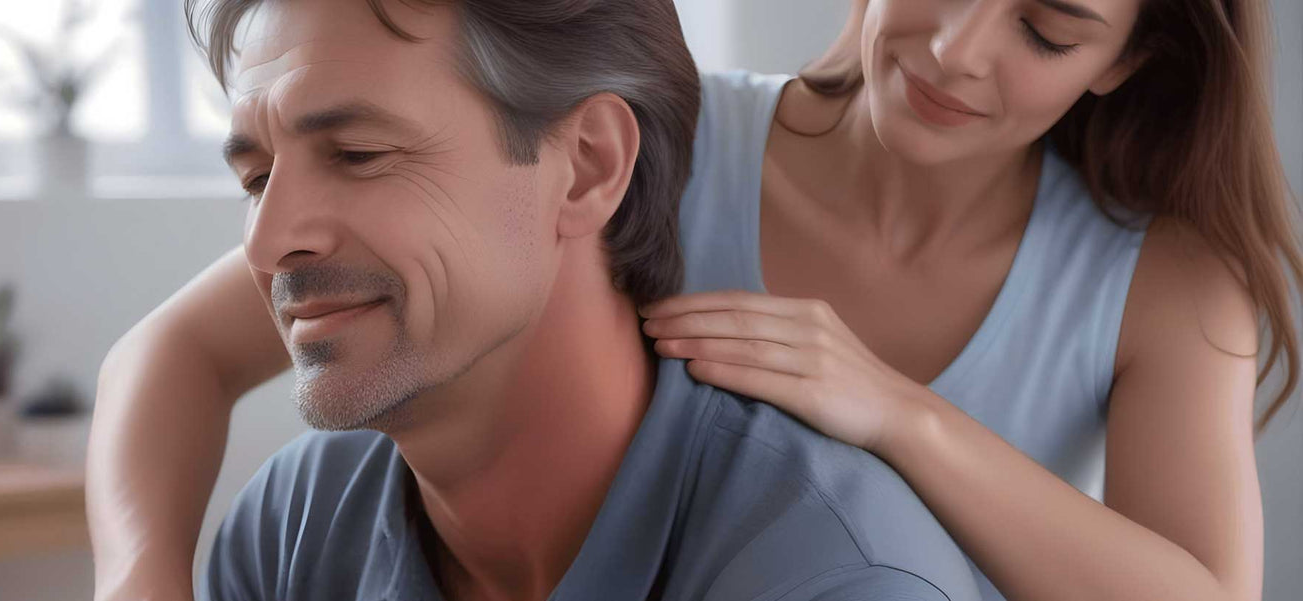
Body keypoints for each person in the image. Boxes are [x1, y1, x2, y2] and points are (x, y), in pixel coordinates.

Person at [91, 0, 1300, 600]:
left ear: (1127, 60)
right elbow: (178, 355)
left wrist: (901, 416)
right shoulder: (681, 130)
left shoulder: (1168, 278)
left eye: (1046, 29)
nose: (958, 49)